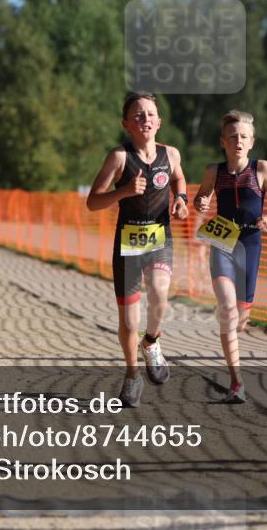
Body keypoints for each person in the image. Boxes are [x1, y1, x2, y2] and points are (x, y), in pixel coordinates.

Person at [86, 92, 188, 408]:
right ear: (126, 124)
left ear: (159, 121)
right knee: (129, 321)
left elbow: (179, 178)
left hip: (160, 240)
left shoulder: (170, 154)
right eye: (138, 115)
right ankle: (132, 376)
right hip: (128, 245)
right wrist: (125, 191)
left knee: (159, 292)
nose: (145, 119)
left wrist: (181, 198)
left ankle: (152, 342)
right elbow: (92, 201)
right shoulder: (119, 157)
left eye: (150, 114)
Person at [193, 111, 267, 403]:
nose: (238, 141)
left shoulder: (262, 169)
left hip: (251, 243)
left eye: (243, 136)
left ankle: (242, 318)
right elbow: (201, 200)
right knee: (228, 312)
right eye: (232, 137)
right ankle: (236, 382)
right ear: (223, 142)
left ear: (252, 142)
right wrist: (200, 202)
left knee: (240, 318)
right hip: (222, 240)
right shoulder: (212, 171)